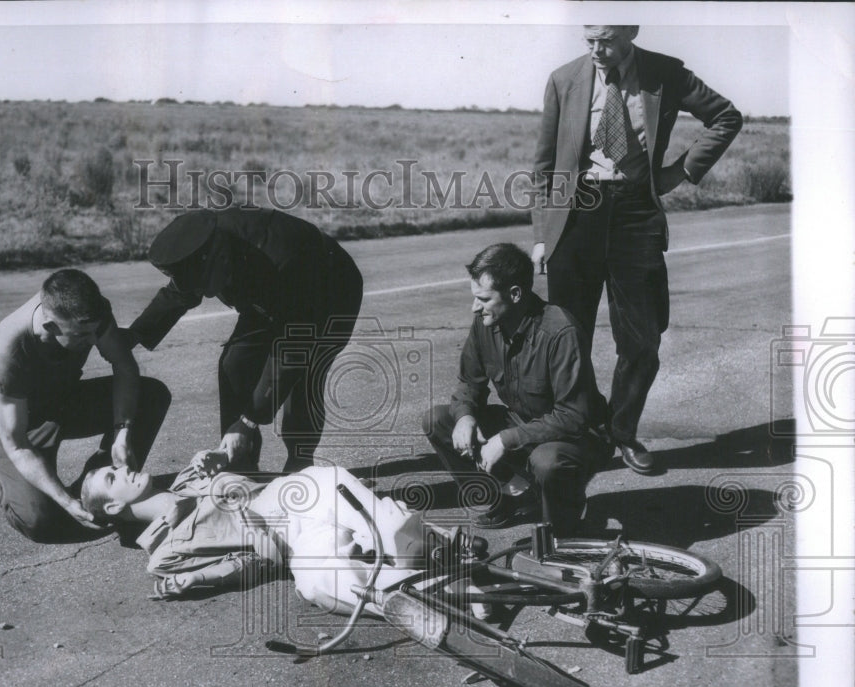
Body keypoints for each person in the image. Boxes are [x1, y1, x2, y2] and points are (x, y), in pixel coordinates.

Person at [530, 25, 743, 474]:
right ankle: (584, 427)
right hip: (576, 215)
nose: (596, 50)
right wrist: (541, 235)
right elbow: (544, 166)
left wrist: (680, 170)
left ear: (631, 31)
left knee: (643, 337)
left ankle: (621, 431)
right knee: (568, 338)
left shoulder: (665, 72)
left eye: (606, 40)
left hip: (635, 215)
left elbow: (726, 116)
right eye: (588, 40)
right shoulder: (563, 78)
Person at [124, 207, 363, 473]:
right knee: (234, 364)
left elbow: (291, 354)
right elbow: (181, 292)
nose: (203, 294)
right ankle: (239, 461)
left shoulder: (282, 255)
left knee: (303, 381)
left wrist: (249, 421)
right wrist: (133, 335)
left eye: (204, 285)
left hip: (326, 292)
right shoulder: (205, 248)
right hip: (266, 295)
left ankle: (300, 461)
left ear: (221, 258)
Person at [80, 454, 447, 615]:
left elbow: (244, 460)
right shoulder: (164, 555)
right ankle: (443, 601)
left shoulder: (191, 475)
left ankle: (425, 544)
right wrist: (196, 577)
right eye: (113, 478)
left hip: (291, 497)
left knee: (334, 486)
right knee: (317, 585)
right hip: (288, 544)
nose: (124, 468)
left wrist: (223, 458)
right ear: (113, 508)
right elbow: (248, 564)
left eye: (115, 466)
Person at [422, 243, 611, 533]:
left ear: (515, 294)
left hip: (577, 438)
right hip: (526, 423)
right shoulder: (486, 322)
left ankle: (565, 530)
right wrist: (465, 417)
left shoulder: (560, 331)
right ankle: (507, 498)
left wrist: (506, 440)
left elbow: (573, 417)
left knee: (547, 461)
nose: (475, 307)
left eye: (484, 299)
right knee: (438, 420)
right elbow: (469, 384)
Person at [0, 268, 171, 542]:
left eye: (95, 333)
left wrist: (122, 432)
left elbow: (124, 365)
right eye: (82, 336)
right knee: (41, 520)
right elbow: (18, 445)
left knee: (151, 396)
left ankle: (99, 494)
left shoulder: (88, 314)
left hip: (63, 397)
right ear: (51, 327)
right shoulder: (7, 352)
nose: (94, 342)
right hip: (18, 423)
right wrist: (66, 502)